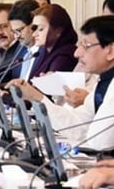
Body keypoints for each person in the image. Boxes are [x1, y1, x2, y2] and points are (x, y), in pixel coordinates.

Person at [9, 15, 114, 150]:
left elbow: (99, 142)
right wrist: (37, 97)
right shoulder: (104, 80)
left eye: (86, 46)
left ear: (111, 51)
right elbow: (77, 126)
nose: (77, 53)